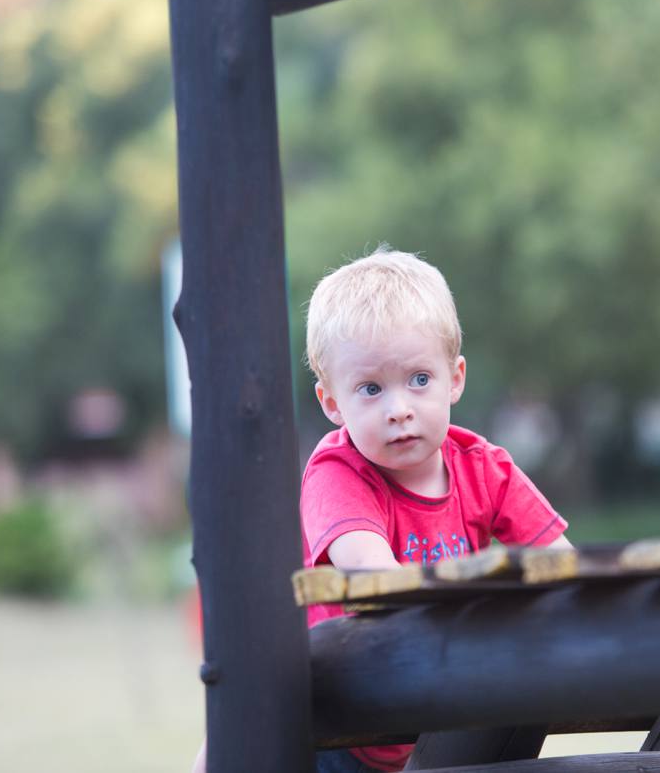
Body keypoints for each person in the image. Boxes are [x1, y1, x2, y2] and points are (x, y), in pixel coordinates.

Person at [193, 246, 571, 773]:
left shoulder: (484, 468)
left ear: (455, 378)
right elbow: (377, 580)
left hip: (432, 719)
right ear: (331, 403)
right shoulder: (338, 473)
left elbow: (564, 566)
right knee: (238, 725)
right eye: (370, 389)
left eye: (419, 379)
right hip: (335, 720)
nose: (399, 410)